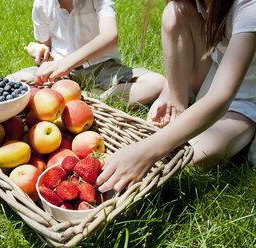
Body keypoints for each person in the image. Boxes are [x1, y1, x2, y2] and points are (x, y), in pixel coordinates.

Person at [96, 0, 256, 193]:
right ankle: (178, 111)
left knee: (192, 157)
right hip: (211, 77)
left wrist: (147, 150)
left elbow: (221, 97)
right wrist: (169, 93)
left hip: (244, 103)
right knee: (175, 10)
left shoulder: (249, 7)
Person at [6, 0, 166, 108]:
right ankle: (80, 97)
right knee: (10, 82)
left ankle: (92, 100)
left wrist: (67, 62)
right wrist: (42, 57)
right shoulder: (42, 4)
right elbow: (44, 47)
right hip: (59, 73)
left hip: (102, 67)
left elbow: (110, 37)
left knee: (157, 83)